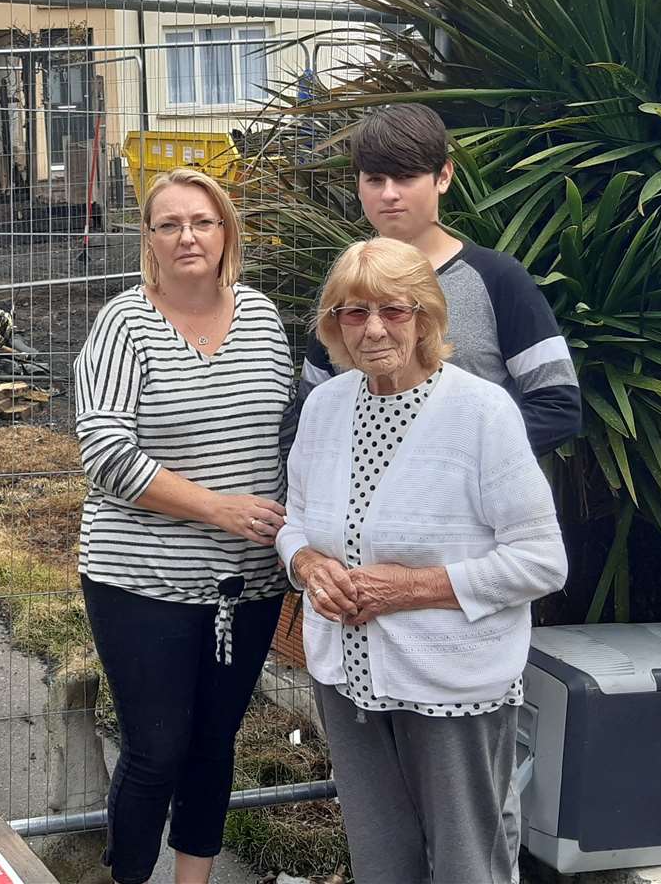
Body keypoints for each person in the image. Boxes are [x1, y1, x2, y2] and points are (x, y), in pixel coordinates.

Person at [277, 237, 567, 884]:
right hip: (345, 681)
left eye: (394, 310)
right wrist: (304, 565)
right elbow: (293, 523)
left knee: (471, 863)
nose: (373, 329)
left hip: (450, 685)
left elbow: (542, 561)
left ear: (427, 317)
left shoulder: (482, 412)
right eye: (353, 313)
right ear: (334, 326)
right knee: (380, 862)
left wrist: (412, 587)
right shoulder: (323, 407)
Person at [74, 168, 293, 884]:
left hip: (247, 583)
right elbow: (105, 452)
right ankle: (129, 876)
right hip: (142, 580)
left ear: (226, 229)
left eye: (201, 221)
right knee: (156, 749)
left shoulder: (261, 316)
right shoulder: (125, 323)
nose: (186, 236)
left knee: (212, 742)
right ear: (150, 241)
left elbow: (287, 432)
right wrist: (218, 506)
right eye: (167, 225)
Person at [301, 103, 581, 454]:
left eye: (405, 177)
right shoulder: (341, 286)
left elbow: (557, 403)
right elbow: (312, 407)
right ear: (358, 186)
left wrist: (460, 459)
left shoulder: (498, 279)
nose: (389, 193)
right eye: (375, 179)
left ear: (444, 176)